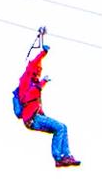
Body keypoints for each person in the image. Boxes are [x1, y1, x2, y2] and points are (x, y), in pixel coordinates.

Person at [13, 27, 77, 167]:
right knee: (60, 127)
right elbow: (28, 95)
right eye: (38, 70)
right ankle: (60, 157)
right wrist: (44, 52)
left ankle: (64, 156)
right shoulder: (27, 80)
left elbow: (33, 100)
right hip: (32, 119)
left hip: (34, 118)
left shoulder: (31, 82)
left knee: (61, 128)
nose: (40, 72)